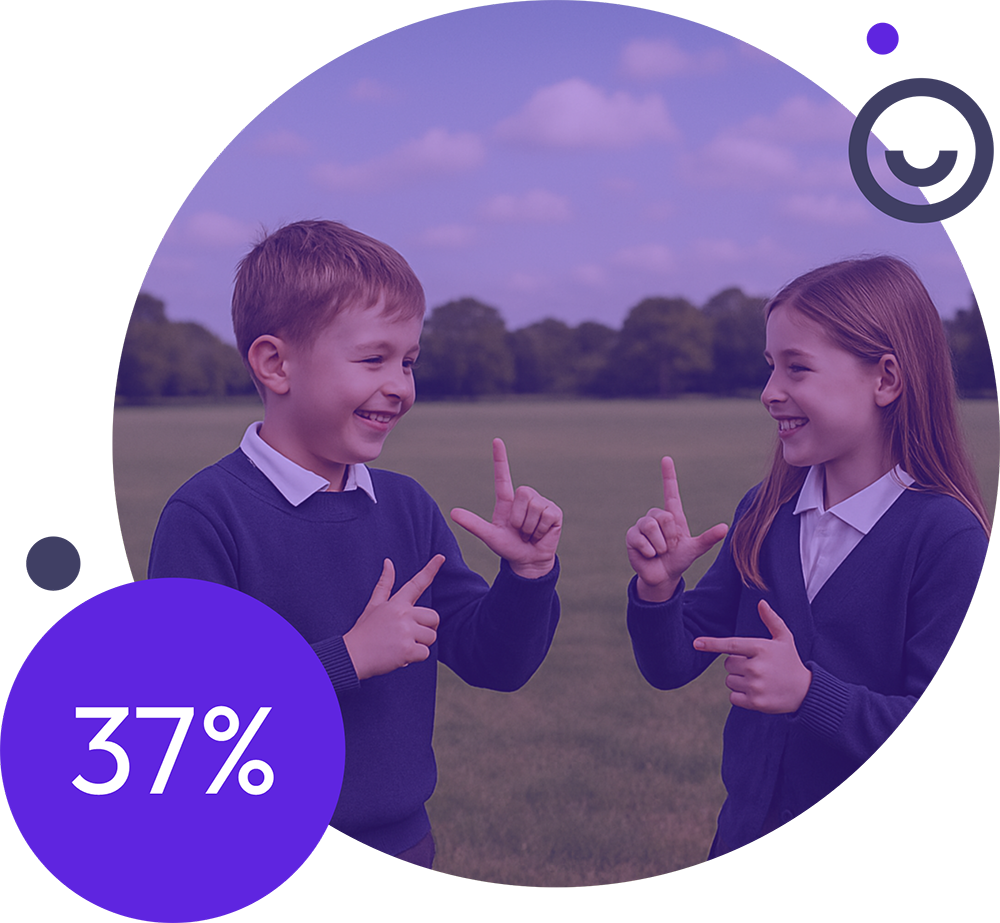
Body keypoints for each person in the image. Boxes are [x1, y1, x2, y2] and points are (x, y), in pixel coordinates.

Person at [148, 219, 562, 868]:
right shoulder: (207, 517)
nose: (400, 384)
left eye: (408, 361)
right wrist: (346, 657)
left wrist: (529, 575)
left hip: (403, 846)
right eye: (374, 358)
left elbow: (497, 663)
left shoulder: (406, 507)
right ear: (275, 363)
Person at [624, 256, 990, 857]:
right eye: (771, 368)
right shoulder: (764, 511)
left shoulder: (947, 538)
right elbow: (670, 666)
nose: (769, 393)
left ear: (886, 380)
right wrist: (660, 591)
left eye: (798, 368)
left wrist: (807, 693)